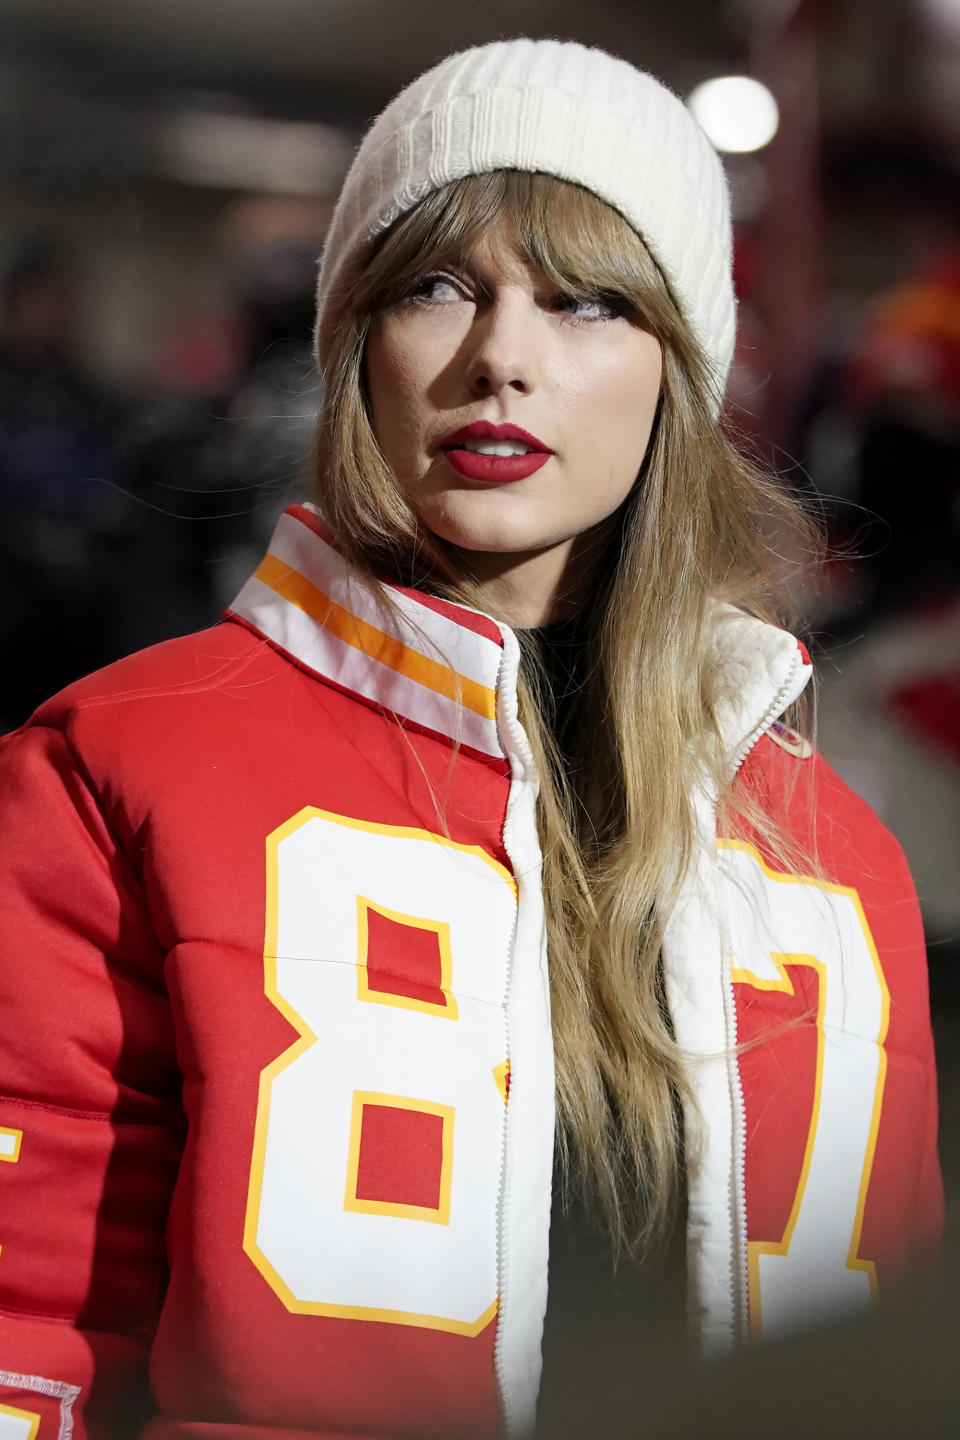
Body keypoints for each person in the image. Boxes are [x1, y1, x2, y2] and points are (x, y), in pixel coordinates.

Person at [0, 38, 941, 1440]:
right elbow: (29, 1335)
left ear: (679, 371)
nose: (504, 356)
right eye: (440, 285)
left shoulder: (838, 855)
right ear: (352, 341)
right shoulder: (115, 771)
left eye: (590, 302)